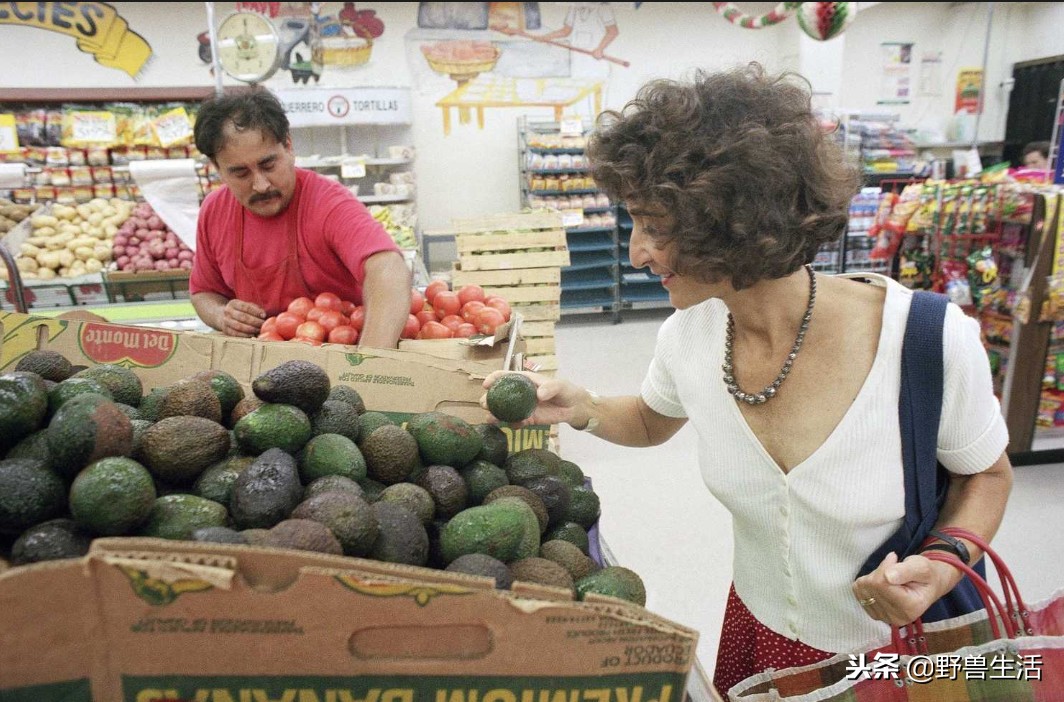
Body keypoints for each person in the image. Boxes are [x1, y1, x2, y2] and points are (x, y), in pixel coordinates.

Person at [481, 64, 1013, 698]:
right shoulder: (691, 336)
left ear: (730, 217)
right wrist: (585, 406)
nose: (636, 255)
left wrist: (944, 565)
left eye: (654, 227)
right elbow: (653, 420)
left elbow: (987, 473)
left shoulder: (924, 340)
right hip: (760, 632)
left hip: (902, 652)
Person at [189, 90, 411, 347]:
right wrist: (221, 314)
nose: (260, 185)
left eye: (268, 165)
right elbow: (203, 292)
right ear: (217, 168)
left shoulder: (328, 202)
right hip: (262, 364)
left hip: (340, 356)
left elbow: (388, 268)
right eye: (240, 173)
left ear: (288, 146)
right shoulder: (214, 211)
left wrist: (368, 364)